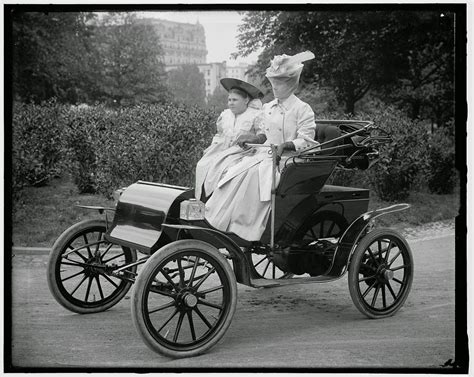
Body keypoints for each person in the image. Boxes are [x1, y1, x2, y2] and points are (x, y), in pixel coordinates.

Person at [204, 51, 319, 241]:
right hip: (266, 154)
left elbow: (306, 140)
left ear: (290, 84)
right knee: (235, 171)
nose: (275, 87)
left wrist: (286, 145)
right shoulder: (268, 107)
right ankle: (219, 220)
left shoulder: (302, 109)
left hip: (290, 159)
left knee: (253, 176)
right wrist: (255, 138)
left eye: (279, 83)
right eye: (273, 83)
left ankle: (244, 227)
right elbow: (265, 133)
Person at [195, 78, 264, 201]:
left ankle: (220, 201)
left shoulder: (255, 115)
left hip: (244, 152)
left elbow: (263, 135)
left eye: (235, 100)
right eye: (229, 100)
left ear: (246, 100)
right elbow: (219, 134)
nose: (231, 103)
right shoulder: (226, 115)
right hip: (223, 149)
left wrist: (252, 139)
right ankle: (204, 200)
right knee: (203, 165)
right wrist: (213, 146)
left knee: (227, 170)